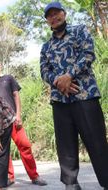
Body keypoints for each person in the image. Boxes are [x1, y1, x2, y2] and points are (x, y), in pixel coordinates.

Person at [40, 2, 108, 190]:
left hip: (85, 95)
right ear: (47, 21)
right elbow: (44, 71)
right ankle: (71, 184)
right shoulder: (46, 46)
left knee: (97, 141)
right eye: (50, 16)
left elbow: (88, 54)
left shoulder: (79, 31)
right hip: (60, 101)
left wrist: (69, 76)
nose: (54, 17)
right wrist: (58, 82)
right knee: (66, 145)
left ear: (64, 14)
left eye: (57, 13)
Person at [0, 58, 47, 186]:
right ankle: (10, 177)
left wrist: (18, 115)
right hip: (0, 124)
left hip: (14, 120)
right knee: (4, 152)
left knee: (25, 146)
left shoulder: (9, 78)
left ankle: (34, 176)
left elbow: (16, 96)